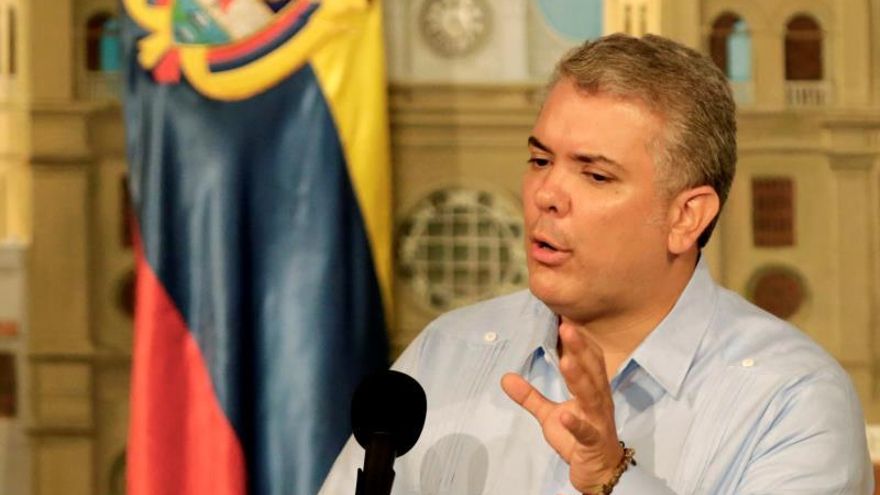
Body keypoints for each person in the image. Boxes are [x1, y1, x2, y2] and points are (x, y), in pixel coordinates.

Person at [319, 33, 873, 494]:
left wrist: (613, 475)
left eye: (596, 174)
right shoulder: (449, 352)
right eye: (540, 160)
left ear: (687, 217)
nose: (546, 194)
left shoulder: (792, 399)